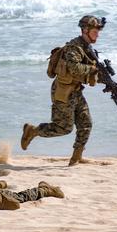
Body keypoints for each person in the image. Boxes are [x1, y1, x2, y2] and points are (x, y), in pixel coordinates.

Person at [21, 15, 104, 166]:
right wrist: (93, 69)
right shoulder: (74, 48)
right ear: (85, 30)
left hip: (76, 91)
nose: (97, 34)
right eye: (95, 31)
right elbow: (74, 69)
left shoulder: (87, 48)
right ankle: (32, 131)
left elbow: (89, 73)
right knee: (63, 128)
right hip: (63, 92)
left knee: (86, 124)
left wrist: (106, 82)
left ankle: (75, 160)